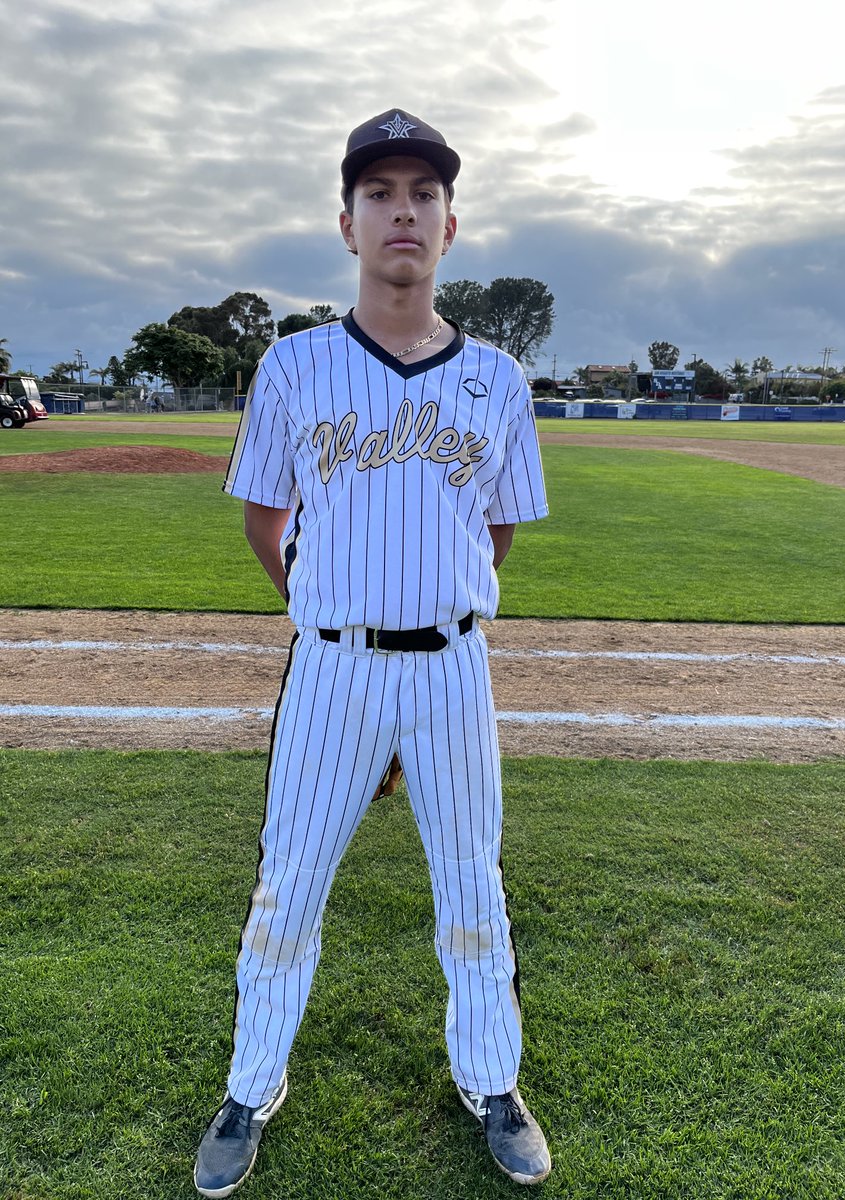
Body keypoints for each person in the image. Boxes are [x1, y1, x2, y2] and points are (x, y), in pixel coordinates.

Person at [194, 108, 551, 1196]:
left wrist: (421, 604)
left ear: (451, 224)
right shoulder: (296, 367)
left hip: (451, 668)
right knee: (287, 887)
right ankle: (252, 1087)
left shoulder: (498, 379)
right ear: (347, 224)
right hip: (333, 669)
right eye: (381, 193)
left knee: (472, 889)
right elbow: (267, 521)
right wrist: (335, 613)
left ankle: (492, 1082)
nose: (404, 210)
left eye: (425, 193)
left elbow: (492, 529)